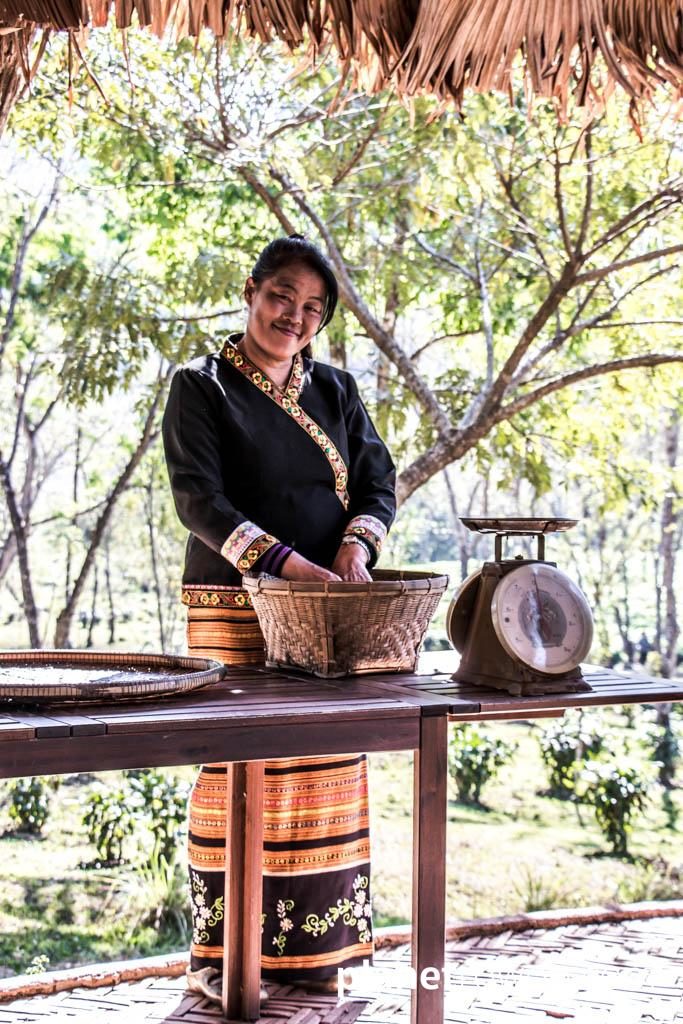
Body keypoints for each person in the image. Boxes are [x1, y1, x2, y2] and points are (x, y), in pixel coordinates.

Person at [162, 234, 396, 1004]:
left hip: (332, 604)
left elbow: (376, 482)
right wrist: (286, 564)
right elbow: (199, 501)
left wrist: (356, 553)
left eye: (310, 310)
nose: (292, 317)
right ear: (250, 290)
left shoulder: (334, 389)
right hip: (235, 603)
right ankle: (219, 956)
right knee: (239, 770)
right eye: (280, 298)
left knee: (324, 764)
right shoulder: (201, 387)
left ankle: (310, 952)